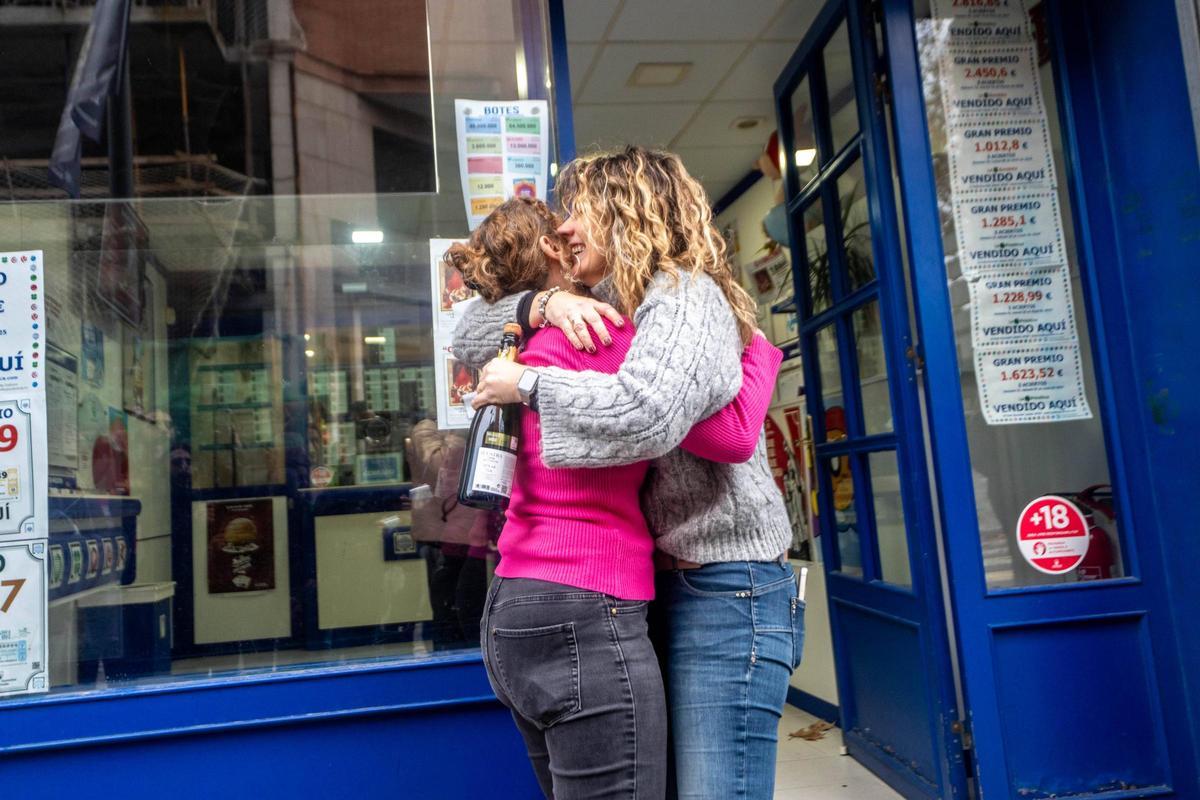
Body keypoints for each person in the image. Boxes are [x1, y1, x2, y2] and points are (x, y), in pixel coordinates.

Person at [456, 147, 803, 800]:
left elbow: (654, 415)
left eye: (579, 212)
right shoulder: (614, 301)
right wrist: (543, 306)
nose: (563, 229)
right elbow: (471, 331)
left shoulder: (682, 294)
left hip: (726, 582)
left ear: (625, 214)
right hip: (657, 582)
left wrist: (527, 381)